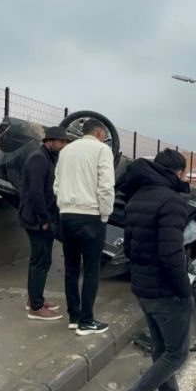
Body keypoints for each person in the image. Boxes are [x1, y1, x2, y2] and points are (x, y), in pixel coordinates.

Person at [106, 149, 196, 391]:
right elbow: (171, 254)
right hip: (166, 291)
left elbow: (129, 247)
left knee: (161, 351)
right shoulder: (172, 200)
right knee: (176, 354)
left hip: (143, 288)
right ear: (178, 172)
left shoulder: (136, 197)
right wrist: (184, 289)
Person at [54, 118, 115, 336]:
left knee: (71, 268)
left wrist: (64, 205)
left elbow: (57, 184)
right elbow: (106, 186)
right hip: (90, 216)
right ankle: (86, 320)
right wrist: (105, 214)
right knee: (91, 269)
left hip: (66, 215)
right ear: (99, 133)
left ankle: (74, 316)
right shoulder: (102, 150)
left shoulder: (66, 151)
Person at [20, 126, 71, 321]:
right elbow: (35, 193)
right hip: (37, 220)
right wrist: (45, 220)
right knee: (41, 261)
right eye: (61, 141)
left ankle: (34, 299)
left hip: (40, 218)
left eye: (65, 142)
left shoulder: (47, 157)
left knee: (41, 260)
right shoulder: (38, 159)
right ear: (50, 141)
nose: (63, 145)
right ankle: (36, 307)